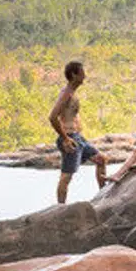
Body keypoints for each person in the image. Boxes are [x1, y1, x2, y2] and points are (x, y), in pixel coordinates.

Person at [50, 58, 107, 203]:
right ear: (74, 75)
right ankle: (60, 208)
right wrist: (66, 139)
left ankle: (104, 196)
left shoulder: (73, 93)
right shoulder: (66, 93)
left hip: (78, 137)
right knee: (66, 176)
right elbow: (52, 117)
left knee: (101, 159)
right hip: (70, 139)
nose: (85, 76)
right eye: (82, 73)